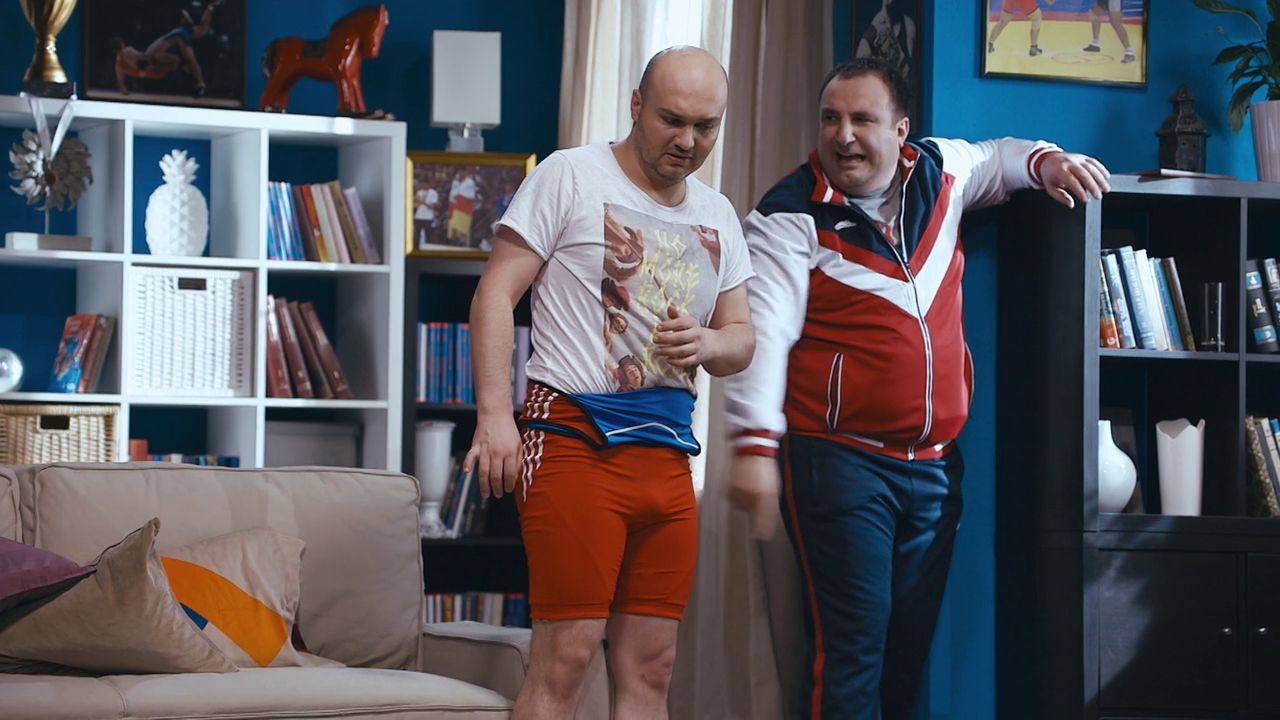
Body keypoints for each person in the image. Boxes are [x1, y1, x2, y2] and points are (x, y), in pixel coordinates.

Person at [725, 58, 1111, 720]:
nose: (843, 135)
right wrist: (754, 445)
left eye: (862, 119)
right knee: (852, 656)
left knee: (904, 661)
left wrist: (1048, 162)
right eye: (830, 119)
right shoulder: (789, 214)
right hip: (839, 464)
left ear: (900, 131)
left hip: (933, 469)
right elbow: (766, 333)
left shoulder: (939, 171)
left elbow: (1000, 158)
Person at [464, 46, 755, 719]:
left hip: (668, 458)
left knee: (653, 668)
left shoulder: (718, 213)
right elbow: (495, 293)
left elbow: (741, 336)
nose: (687, 141)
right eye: (671, 120)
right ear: (635, 105)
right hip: (573, 442)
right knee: (566, 658)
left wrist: (711, 342)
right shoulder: (570, 175)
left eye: (705, 127)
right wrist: (494, 415)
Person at [112, 0, 223, 97]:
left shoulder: (148, 55)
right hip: (174, 37)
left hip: (176, 38)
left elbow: (177, 60)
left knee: (189, 57)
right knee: (201, 31)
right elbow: (122, 83)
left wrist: (185, 69)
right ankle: (210, 8)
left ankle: (200, 83)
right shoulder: (138, 59)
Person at [854, 0, 917, 84]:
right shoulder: (876, 25)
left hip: (901, 86)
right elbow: (859, 62)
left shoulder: (909, 25)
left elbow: (911, 68)